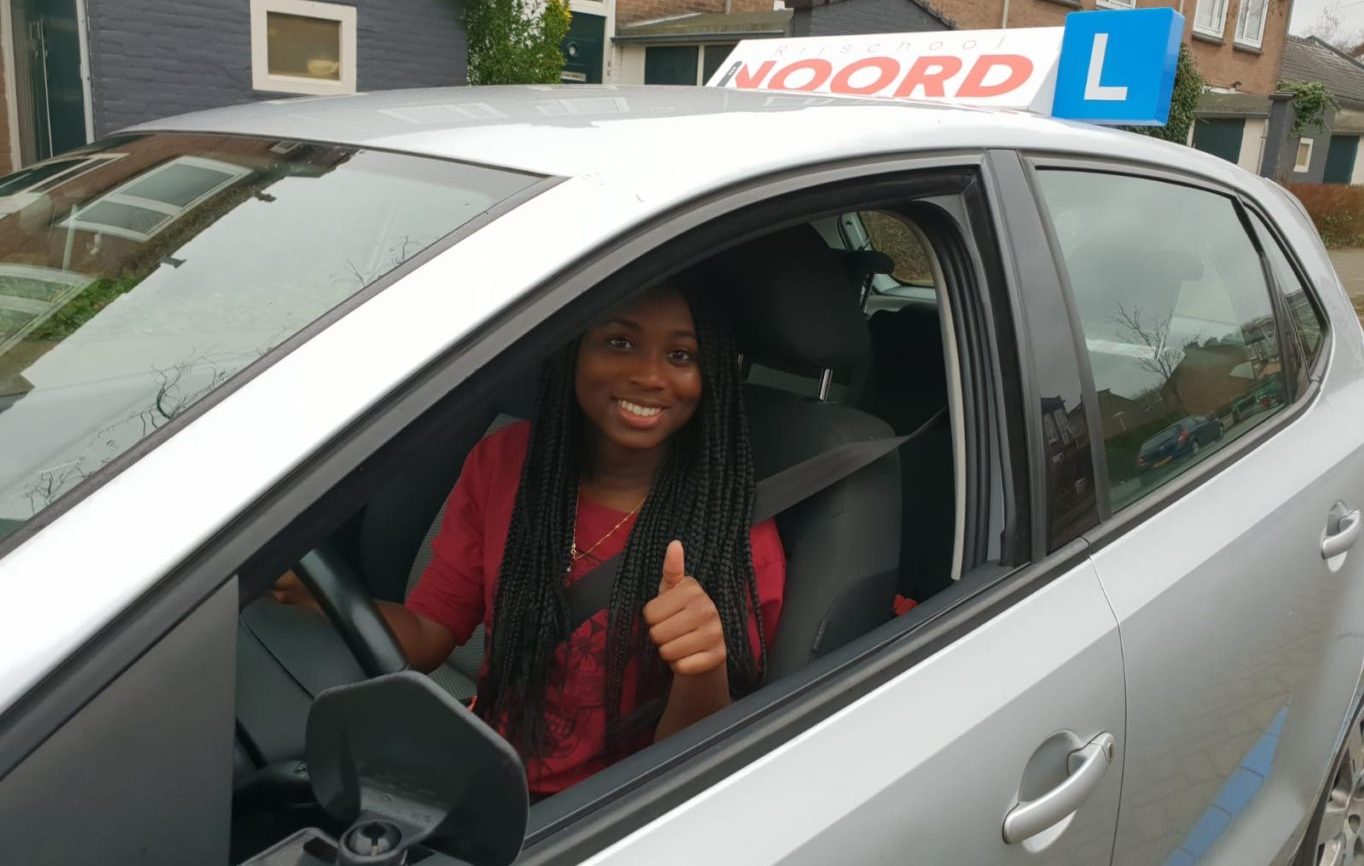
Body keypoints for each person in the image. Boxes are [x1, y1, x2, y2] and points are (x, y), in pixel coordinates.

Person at [275, 281, 785, 798]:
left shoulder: (733, 528)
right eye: (619, 342)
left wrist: (703, 666)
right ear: (574, 350)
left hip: (603, 812)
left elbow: (695, 768)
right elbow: (429, 632)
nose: (649, 376)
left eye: (680, 355)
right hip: (485, 768)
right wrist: (325, 597)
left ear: (710, 374)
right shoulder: (508, 462)